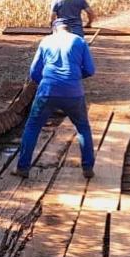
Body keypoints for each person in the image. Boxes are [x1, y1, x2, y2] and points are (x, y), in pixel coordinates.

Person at [12, 19, 96, 179]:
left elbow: (34, 72)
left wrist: (44, 81)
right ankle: (87, 169)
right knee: (83, 128)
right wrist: (75, 76)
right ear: (69, 29)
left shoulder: (46, 41)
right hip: (74, 93)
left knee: (32, 127)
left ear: (54, 29)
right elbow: (90, 70)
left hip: (47, 91)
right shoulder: (79, 41)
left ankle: (22, 168)